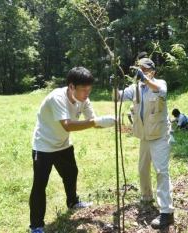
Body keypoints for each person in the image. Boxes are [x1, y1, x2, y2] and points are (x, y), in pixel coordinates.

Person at [29, 67, 115, 233]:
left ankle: (73, 202)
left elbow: (92, 121)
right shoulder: (57, 98)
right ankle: (36, 225)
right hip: (44, 145)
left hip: (63, 144)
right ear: (71, 87)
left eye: (89, 90)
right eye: (83, 90)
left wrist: (109, 122)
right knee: (40, 185)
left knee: (71, 173)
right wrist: (97, 122)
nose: (86, 94)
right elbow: (67, 125)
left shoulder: (84, 99)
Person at [114, 58, 175, 229]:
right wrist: (114, 85)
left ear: (152, 71)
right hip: (144, 137)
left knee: (161, 171)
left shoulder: (159, 83)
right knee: (142, 169)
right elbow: (117, 97)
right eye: (139, 69)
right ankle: (146, 197)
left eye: (144, 69)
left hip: (160, 135)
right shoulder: (135, 88)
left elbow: (160, 90)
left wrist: (145, 79)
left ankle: (166, 212)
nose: (140, 71)